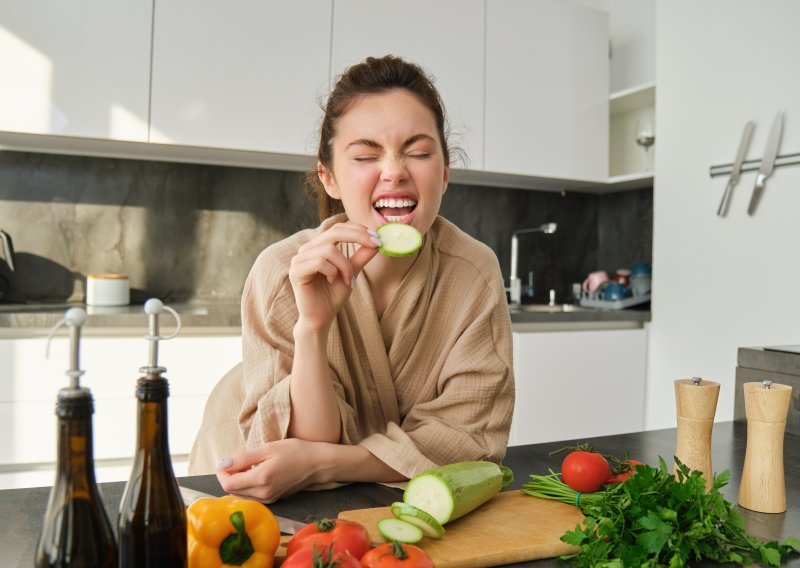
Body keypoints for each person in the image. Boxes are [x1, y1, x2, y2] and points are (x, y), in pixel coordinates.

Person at [188, 55, 515, 502]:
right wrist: (313, 328)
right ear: (330, 178)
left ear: (445, 173)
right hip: (248, 476)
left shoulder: (473, 273)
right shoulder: (282, 270)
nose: (395, 171)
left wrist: (326, 462)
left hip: (373, 494)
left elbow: (468, 438)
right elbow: (297, 442)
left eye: (418, 152)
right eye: (365, 155)